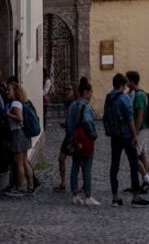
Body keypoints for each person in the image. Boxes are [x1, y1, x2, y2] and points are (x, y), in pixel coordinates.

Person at [104, 72, 149, 208]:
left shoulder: (108, 97)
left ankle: (115, 197)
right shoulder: (124, 98)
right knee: (133, 164)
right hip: (126, 135)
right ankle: (136, 196)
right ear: (122, 85)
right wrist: (135, 135)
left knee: (114, 166)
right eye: (124, 85)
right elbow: (130, 118)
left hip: (114, 136)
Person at [65, 77, 99, 206]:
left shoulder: (72, 105)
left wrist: (71, 138)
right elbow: (87, 121)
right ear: (85, 92)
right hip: (85, 140)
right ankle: (88, 195)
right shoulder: (86, 106)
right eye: (90, 92)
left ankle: (74, 194)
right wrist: (93, 134)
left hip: (74, 140)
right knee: (87, 168)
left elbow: (68, 124)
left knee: (75, 166)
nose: (91, 95)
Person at [126, 69, 149, 191]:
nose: (126, 82)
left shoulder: (139, 95)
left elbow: (139, 116)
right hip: (143, 129)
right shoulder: (137, 93)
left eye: (127, 80)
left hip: (141, 129)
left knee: (134, 156)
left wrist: (135, 133)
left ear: (132, 81)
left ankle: (147, 180)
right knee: (143, 155)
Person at [5, 80, 36, 196]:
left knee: (19, 163)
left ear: (15, 92)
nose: (7, 92)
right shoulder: (19, 103)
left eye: (9, 90)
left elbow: (19, 118)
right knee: (24, 161)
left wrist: (7, 113)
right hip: (24, 133)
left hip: (18, 134)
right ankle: (31, 186)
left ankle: (19, 188)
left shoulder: (14, 104)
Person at [53, 80, 77, 191]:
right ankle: (63, 183)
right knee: (61, 158)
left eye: (69, 90)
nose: (66, 92)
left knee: (78, 161)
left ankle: (80, 184)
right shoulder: (69, 104)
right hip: (68, 136)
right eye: (65, 90)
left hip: (75, 136)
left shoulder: (77, 104)